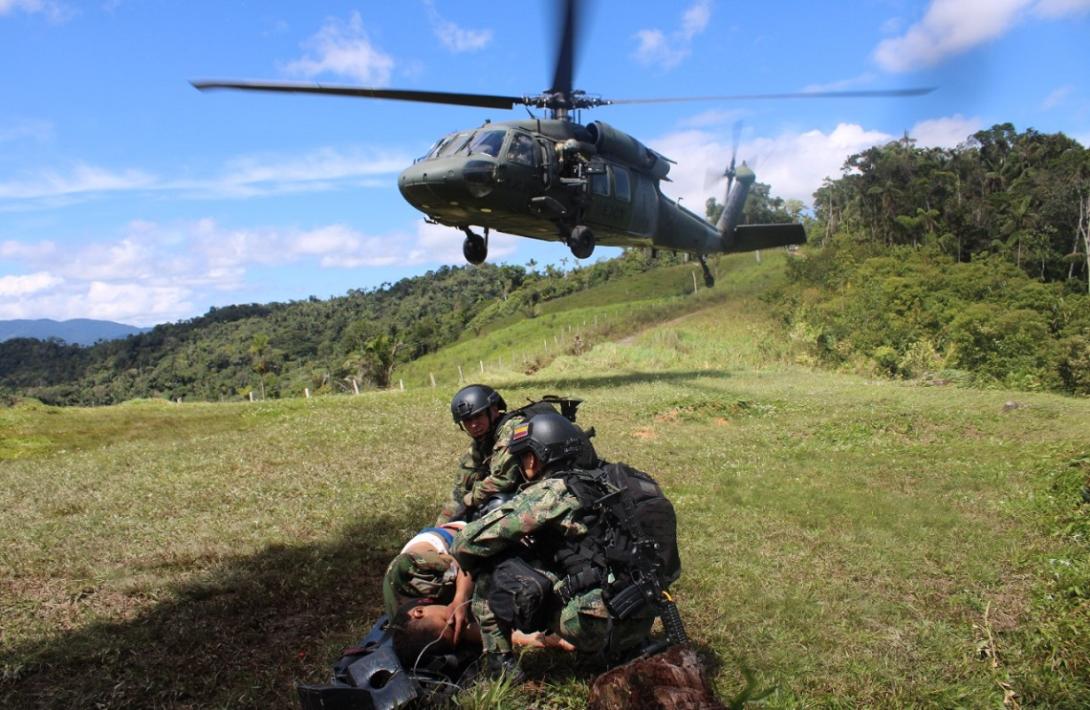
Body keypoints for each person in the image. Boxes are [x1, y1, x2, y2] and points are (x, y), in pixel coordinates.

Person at [451, 414, 681, 678]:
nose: (522, 463)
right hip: (642, 612)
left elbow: (466, 542)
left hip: (591, 624)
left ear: (538, 455)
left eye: (525, 455)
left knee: (489, 566)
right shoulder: (624, 477)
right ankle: (627, 647)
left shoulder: (554, 492)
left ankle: (500, 666)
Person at [437, 384, 530, 524]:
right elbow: (460, 490)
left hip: (546, 496)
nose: (474, 425)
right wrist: (440, 527)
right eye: (468, 420)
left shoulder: (511, 430)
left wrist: (471, 498)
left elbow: (503, 480)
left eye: (478, 416)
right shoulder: (482, 443)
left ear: (494, 411)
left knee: (495, 505)